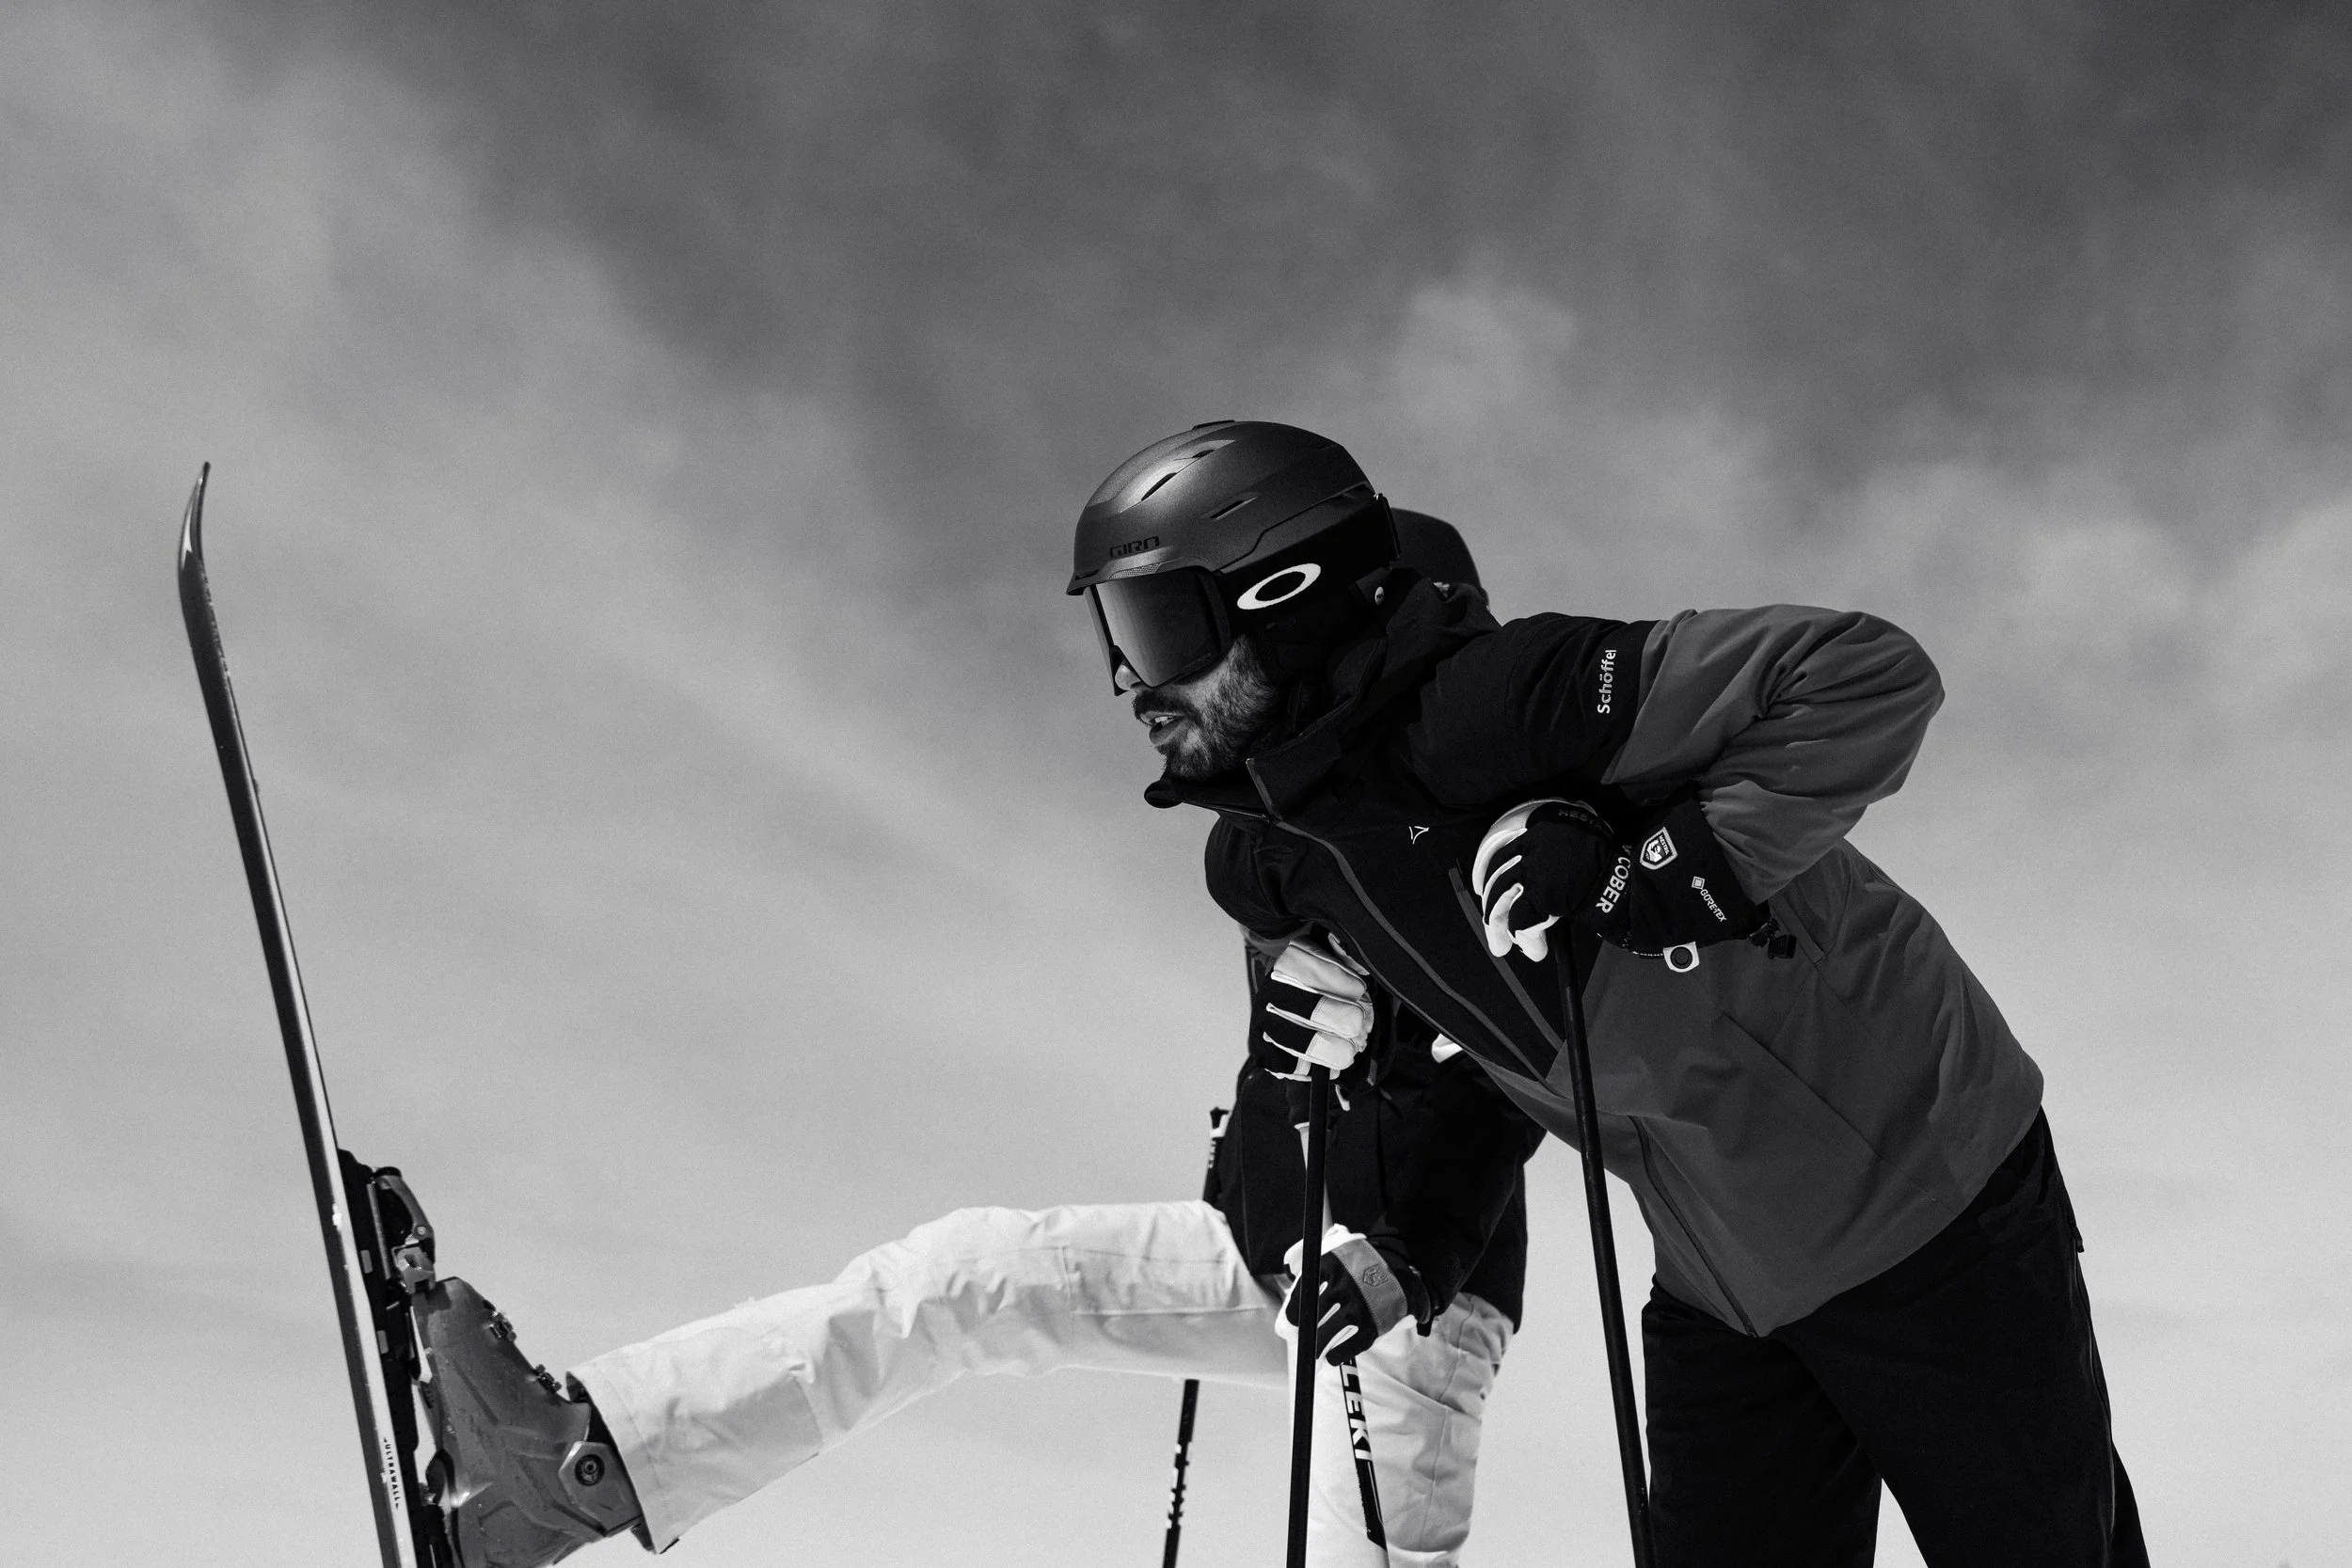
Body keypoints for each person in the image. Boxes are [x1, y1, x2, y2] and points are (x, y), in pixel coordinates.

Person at [1071, 420, 2149, 1567]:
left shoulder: (1501, 701)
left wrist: (1663, 864)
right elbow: (1475, 1070)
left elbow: (1864, 673)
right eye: (1110, 634)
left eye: (1157, 624)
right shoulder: (1286, 858)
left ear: (1282, 591)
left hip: (1932, 1198)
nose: (1132, 677)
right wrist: (1416, 1239)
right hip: (1721, 1272)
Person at [410, 517, 1544, 1568]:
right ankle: (563, 1480)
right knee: (969, 1274)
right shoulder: (1287, 837)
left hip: (1408, 1299)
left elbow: (1504, 1093)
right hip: (1272, 1244)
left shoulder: (1466, 841)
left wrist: (1410, 1231)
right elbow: (1302, 1056)